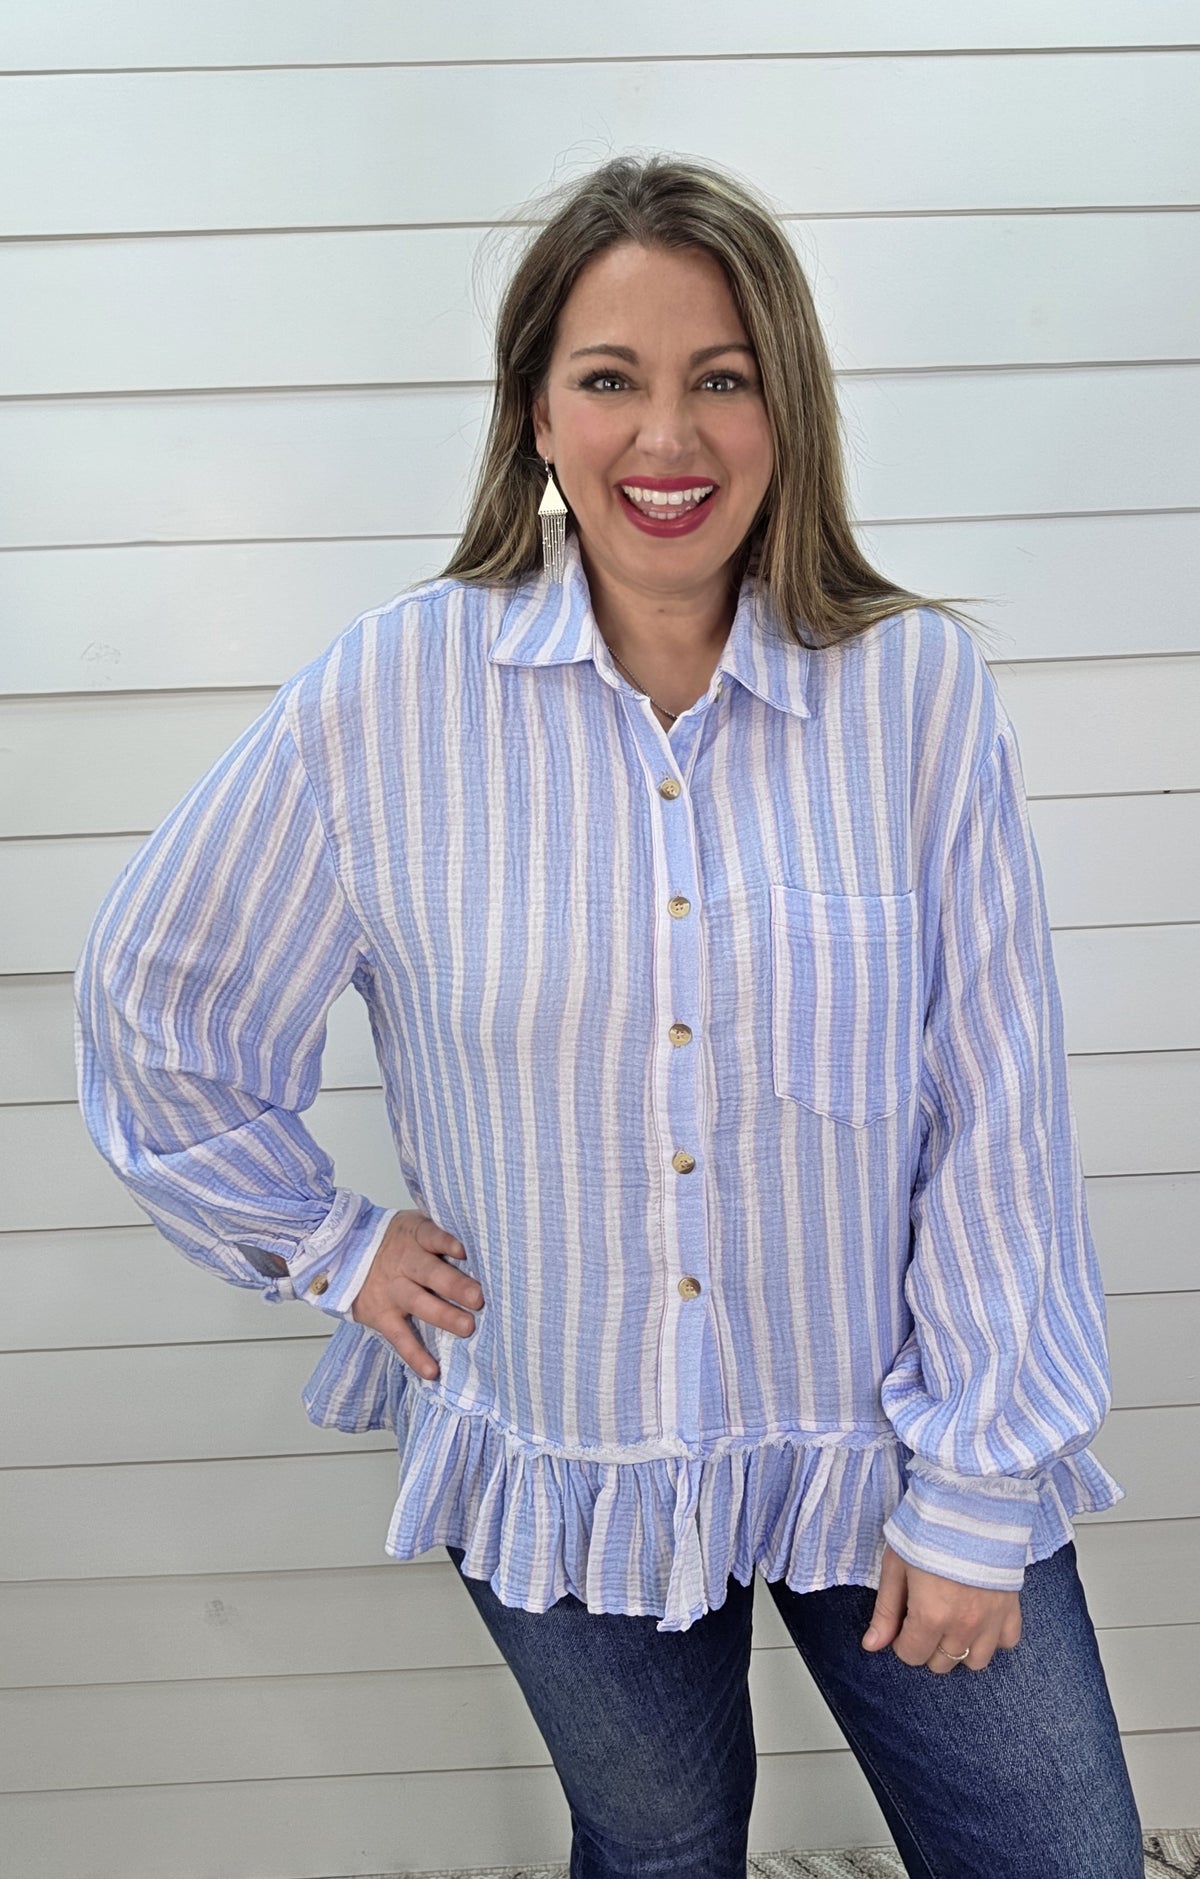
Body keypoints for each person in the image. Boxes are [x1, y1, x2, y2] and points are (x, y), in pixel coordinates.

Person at [73, 153, 1144, 1877]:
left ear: (788, 410)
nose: (668, 436)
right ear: (535, 414)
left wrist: (976, 1485)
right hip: (563, 1451)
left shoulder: (913, 695)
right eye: (610, 379)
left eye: (722, 377)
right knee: (656, 1855)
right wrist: (330, 1244)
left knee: (1059, 1857)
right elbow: (159, 996)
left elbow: (995, 1106)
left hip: (891, 1445)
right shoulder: (390, 699)